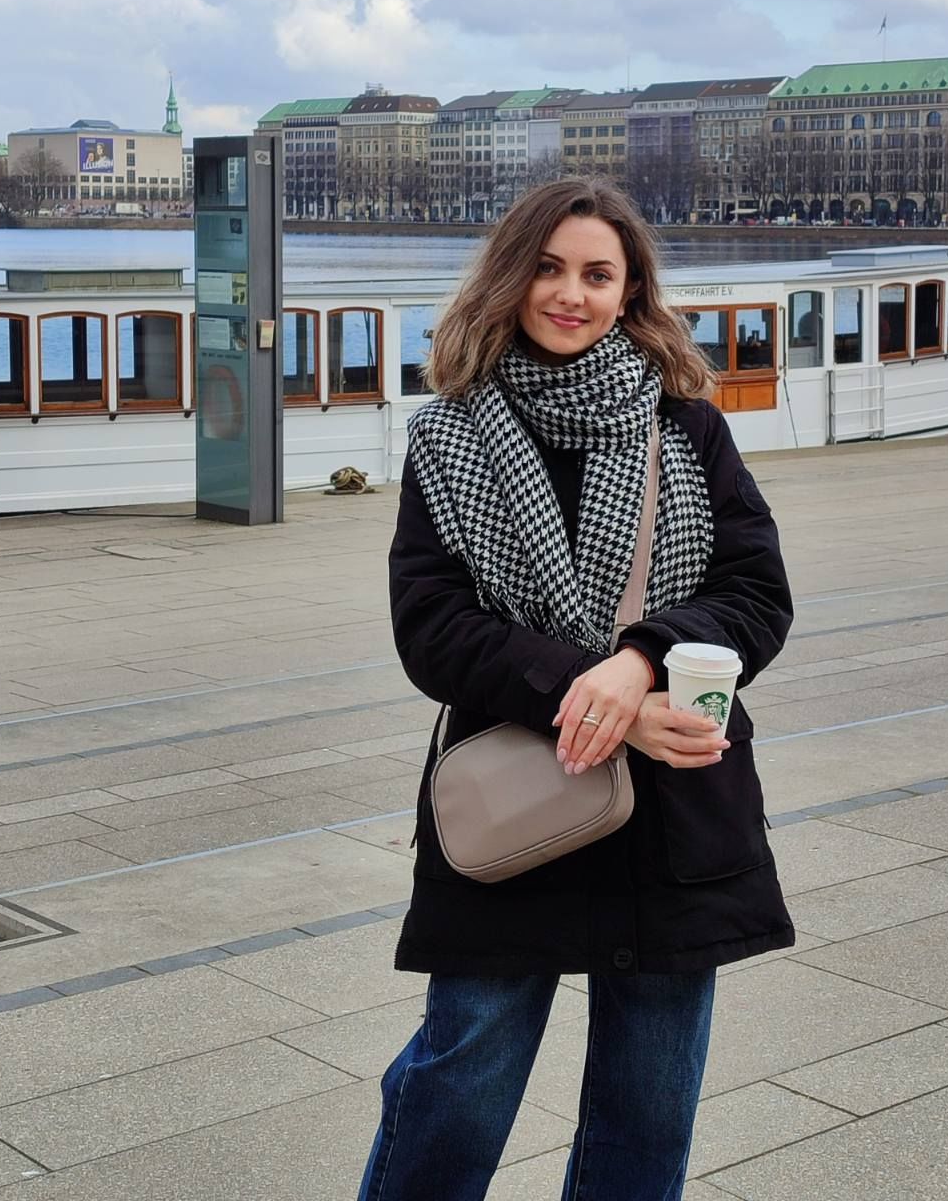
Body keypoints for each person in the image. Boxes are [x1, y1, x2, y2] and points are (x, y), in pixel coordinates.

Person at [359, 178, 794, 1201]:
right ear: (511, 278)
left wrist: (640, 660)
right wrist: (589, 695)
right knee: (460, 1080)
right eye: (548, 269)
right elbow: (431, 627)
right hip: (520, 791)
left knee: (647, 1108)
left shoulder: (685, 424)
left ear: (629, 289)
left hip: (674, 809)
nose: (571, 293)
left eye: (598, 274)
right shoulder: (451, 434)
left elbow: (755, 591)